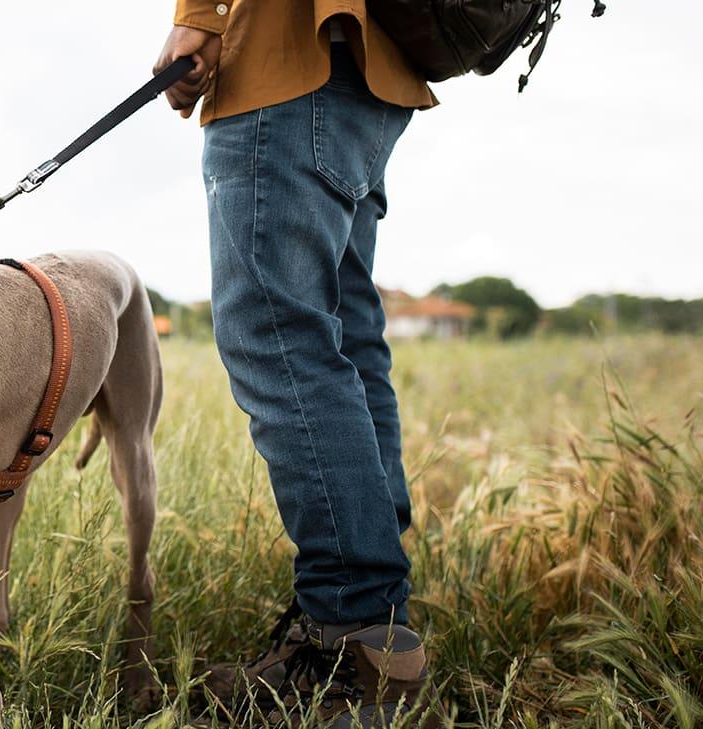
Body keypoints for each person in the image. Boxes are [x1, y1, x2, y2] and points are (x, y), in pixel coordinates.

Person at [153, 1, 442, 725]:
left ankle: (355, 635)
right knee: (340, 337)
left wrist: (204, 15)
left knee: (277, 336)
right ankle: (378, 617)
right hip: (369, 67)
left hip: (287, 58)